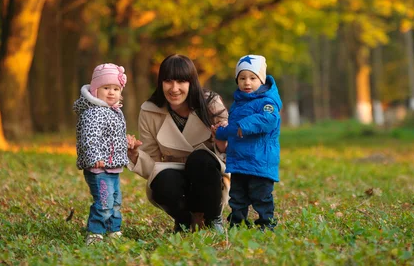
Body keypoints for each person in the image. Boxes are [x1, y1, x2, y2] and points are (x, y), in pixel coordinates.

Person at [126, 54, 229, 233]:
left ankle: (213, 219)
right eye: (168, 81)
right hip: (175, 177)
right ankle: (183, 221)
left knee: (199, 159)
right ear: (161, 83)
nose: (174, 88)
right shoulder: (150, 111)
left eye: (181, 81)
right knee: (162, 181)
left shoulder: (210, 104)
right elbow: (153, 164)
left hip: (209, 177)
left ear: (191, 82)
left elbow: (232, 155)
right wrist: (135, 155)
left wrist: (221, 143)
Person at [214, 55, 282, 230]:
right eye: (242, 78)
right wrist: (221, 131)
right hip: (239, 161)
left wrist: (243, 125)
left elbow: (269, 120)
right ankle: (238, 223)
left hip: (260, 161)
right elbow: (233, 128)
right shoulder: (238, 103)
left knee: (261, 196)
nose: (247, 83)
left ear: (262, 79)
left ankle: (266, 224)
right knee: (237, 196)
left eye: (253, 78)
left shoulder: (267, 102)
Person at [74, 63, 129, 245]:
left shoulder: (114, 111)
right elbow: (89, 137)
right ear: (96, 90)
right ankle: (95, 233)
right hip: (98, 167)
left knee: (115, 200)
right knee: (104, 201)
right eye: (106, 88)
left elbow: (112, 137)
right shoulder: (93, 112)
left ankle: (113, 230)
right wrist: (95, 156)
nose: (112, 92)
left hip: (112, 167)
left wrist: (126, 142)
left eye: (116, 88)